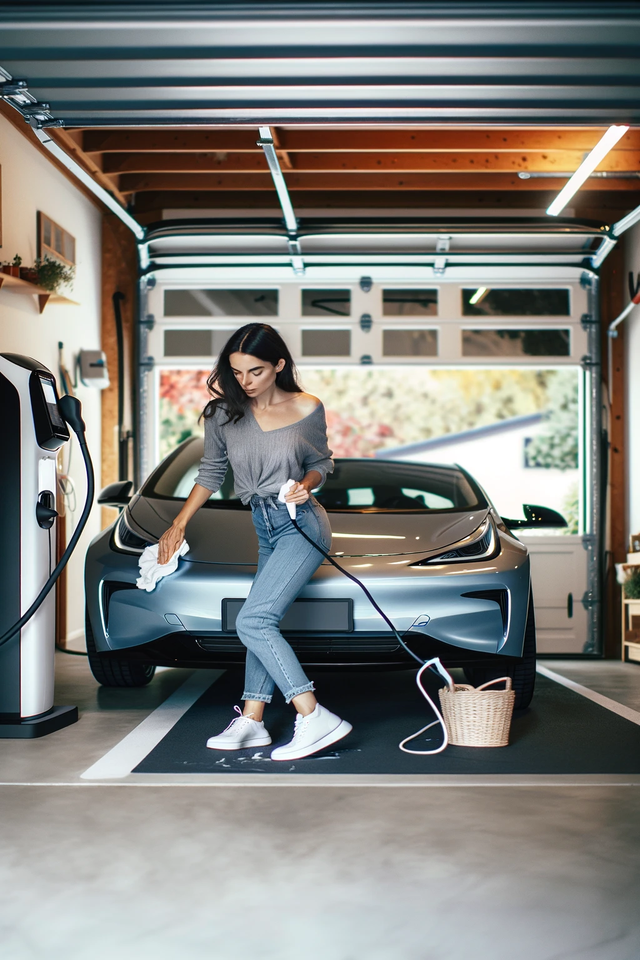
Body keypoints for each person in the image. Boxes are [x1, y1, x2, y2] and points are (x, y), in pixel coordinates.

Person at [157, 322, 352, 761]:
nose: (245, 382)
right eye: (237, 372)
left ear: (279, 365)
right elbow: (211, 472)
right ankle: (253, 720)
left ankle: (314, 715)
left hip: (302, 523)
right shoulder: (222, 414)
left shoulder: (307, 407)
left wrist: (307, 482)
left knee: (253, 621)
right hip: (263, 525)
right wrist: (179, 523)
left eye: (256, 372)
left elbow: (322, 462)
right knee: (260, 622)